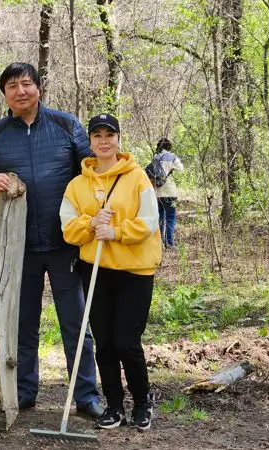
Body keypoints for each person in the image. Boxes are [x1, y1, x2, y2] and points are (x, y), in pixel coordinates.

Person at [0, 62, 103, 417]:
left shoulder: (66, 125)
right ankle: (25, 390)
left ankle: (87, 394)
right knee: (23, 323)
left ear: (39, 87)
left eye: (26, 83)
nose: (20, 91)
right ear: (4, 95)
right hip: (18, 247)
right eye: (12, 86)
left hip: (66, 244)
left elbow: (92, 172)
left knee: (76, 322)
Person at [60, 113, 161, 431]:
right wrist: (91, 223)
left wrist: (114, 232)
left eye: (110, 135)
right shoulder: (77, 185)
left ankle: (143, 403)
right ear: (89, 141)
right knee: (104, 342)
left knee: (127, 342)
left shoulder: (137, 178)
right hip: (96, 270)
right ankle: (114, 406)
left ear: (118, 139)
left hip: (134, 270)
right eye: (97, 135)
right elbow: (67, 227)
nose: (104, 141)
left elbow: (148, 222)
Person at [152, 138, 184, 248]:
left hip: (157, 192)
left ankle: (160, 242)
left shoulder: (155, 158)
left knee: (160, 217)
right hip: (170, 190)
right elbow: (181, 169)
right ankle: (169, 243)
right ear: (169, 147)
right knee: (170, 217)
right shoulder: (172, 157)